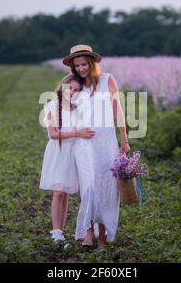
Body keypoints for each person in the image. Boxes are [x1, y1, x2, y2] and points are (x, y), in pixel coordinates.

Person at [63, 44, 131, 250]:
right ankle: (88, 233)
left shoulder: (107, 80)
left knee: (105, 188)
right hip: (83, 145)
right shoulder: (75, 85)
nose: (81, 68)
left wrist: (124, 138)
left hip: (105, 143)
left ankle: (102, 237)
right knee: (89, 188)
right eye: (77, 66)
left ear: (92, 63)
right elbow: (66, 111)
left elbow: (117, 108)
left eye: (84, 64)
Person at [39, 74, 95, 242]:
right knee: (58, 191)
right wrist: (77, 133)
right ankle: (56, 232)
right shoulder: (53, 106)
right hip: (59, 152)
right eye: (70, 88)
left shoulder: (77, 109)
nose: (72, 92)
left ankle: (61, 231)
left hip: (73, 152)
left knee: (66, 193)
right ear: (63, 87)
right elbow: (53, 134)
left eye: (76, 90)